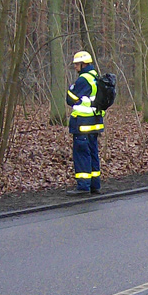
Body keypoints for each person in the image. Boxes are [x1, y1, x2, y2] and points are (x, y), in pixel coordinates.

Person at [66, 50, 104, 195]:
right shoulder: (95, 77)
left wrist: (71, 89)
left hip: (82, 123)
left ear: (83, 64)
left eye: (77, 64)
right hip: (95, 123)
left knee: (82, 154)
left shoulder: (83, 79)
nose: (75, 67)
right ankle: (95, 185)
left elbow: (70, 99)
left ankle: (83, 187)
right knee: (93, 152)